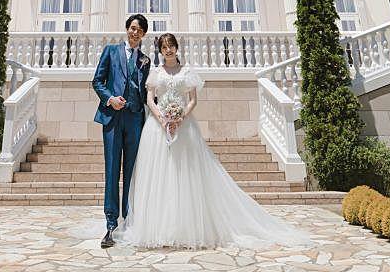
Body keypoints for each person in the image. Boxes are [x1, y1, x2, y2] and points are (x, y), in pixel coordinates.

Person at [114, 32, 311, 249]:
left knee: (185, 174)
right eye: (164, 47)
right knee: (159, 175)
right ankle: (159, 227)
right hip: (157, 128)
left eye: (171, 46)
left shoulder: (187, 72)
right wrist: (162, 118)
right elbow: (150, 99)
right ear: (160, 51)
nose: (168, 50)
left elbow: (192, 100)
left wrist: (180, 117)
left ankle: (185, 227)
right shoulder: (155, 73)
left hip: (184, 127)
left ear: (176, 48)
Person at [91, 12, 150, 248]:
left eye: (140, 30)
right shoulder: (111, 51)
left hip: (135, 119)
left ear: (143, 35)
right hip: (113, 118)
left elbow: (148, 92)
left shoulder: (145, 60)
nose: (135, 32)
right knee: (112, 170)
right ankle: (110, 225)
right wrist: (110, 99)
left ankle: (129, 219)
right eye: (133, 28)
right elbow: (97, 81)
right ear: (127, 29)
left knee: (132, 173)